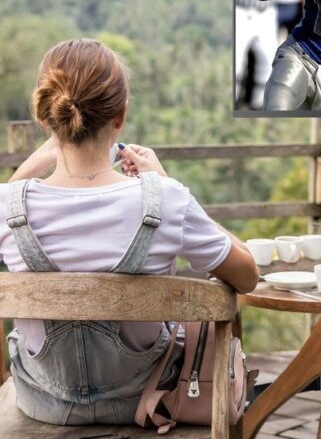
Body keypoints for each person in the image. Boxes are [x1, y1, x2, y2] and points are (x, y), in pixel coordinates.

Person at [0, 38, 259, 425]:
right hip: (148, 398)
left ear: (45, 117)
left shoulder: (7, 206)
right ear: (120, 116)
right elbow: (248, 276)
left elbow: (8, 198)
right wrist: (167, 184)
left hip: (41, 401)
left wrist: (28, 168)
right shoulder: (166, 201)